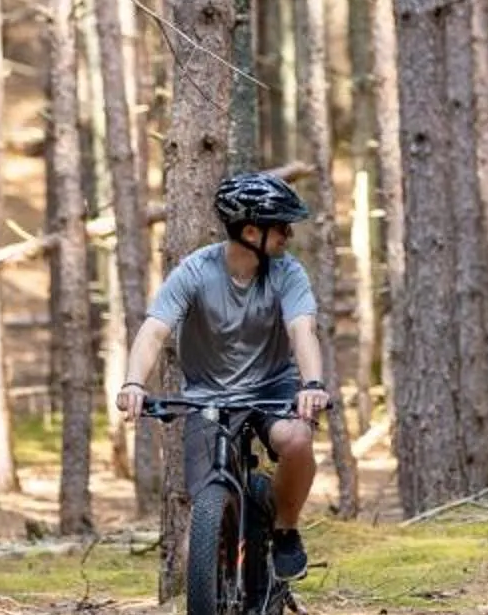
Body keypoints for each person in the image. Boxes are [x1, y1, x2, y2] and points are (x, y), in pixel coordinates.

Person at [117, 171, 331, 580]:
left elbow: (302, 330)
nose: (288, 234)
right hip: (208, 396)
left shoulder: (288, 272)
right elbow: (154, 330)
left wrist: (312, 385)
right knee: (206, 518)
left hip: (272, 387)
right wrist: (133, 382)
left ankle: (285, 529)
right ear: (250, 231)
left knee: (297, 438)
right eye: (280, 226)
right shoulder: (195, 272)